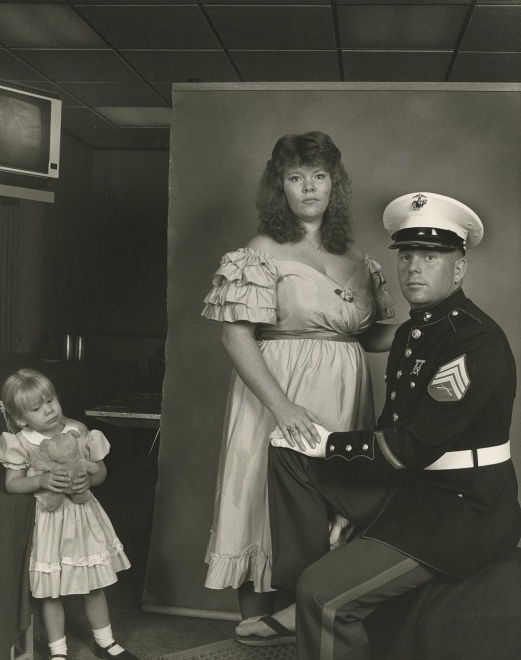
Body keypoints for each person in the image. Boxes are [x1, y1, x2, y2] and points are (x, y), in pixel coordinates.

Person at [235, 191, 521, 658]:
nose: (412, 268)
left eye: (430, 257)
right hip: (410, 489)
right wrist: (320, 452)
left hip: (459, 509)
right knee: (289, 449)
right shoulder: (416, 331)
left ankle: (316, 597)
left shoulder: (474, 343)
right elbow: (393, 423)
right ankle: (304, 595)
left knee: (324, 594)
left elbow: (409, 448)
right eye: (407, 256)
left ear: (459, 268)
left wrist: (331, 446)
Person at [201, 131, 397, 622]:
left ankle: (302, 628)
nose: (309, 187)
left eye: (319, 176)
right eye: (295, 178)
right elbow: (236, 337)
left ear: (335, 185)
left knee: (329, 508)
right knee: (261, 503)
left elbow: (364, 337)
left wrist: (428, 327)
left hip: (344, 396)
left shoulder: (354, 256)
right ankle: (252, 630)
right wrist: (283, 407)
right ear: (279, 187)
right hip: (276, 393)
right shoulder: (263, 248)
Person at [0, 369, 137, 660]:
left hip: (83, 517)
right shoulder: (19, 441)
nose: (48, 410)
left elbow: (99, 469)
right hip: (48, 524)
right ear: (22, 418)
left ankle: (105, 642)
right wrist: (39, 481)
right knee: (51, 590)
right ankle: (58, 651)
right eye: (36, 408)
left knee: (94, 583)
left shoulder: (77, 430)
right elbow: (12, 484)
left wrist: (91, 478)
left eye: (50, 400)